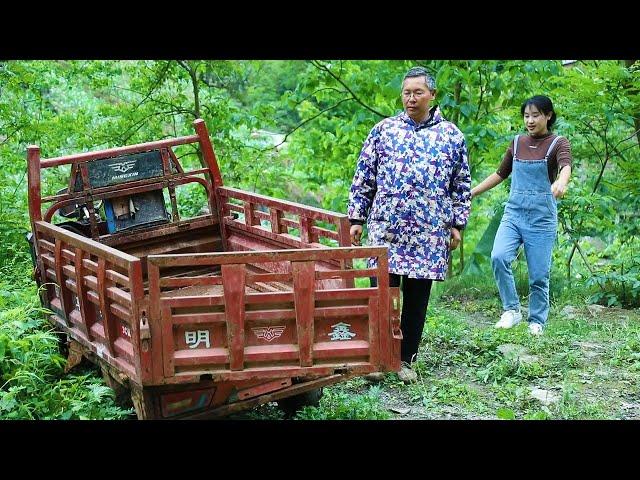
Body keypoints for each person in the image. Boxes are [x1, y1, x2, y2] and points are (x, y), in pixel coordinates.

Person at [348, 66, 471, 383]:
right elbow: (364, 177)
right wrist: (356, 218)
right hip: (387, 228)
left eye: (418, 92)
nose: (411, 98)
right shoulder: (383, 131)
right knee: (381, 296)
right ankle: (378, 359)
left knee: (416, 299)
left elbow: (461, 185)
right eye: (406, 92)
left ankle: (405, 360)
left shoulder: (451, 136)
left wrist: (457, 224)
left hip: (429, 233)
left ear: (433, 95)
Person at [471, 95, 572, 336]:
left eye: (535, 115)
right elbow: (500, 174)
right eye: (526, 116)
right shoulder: (517, 143)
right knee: (498, 257)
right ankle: (512, 310)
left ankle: (537, 320)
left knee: (538, 274)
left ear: (548, 115)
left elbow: (566, 165)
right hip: (514, 214)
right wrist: (472, 192)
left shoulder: (558, 142)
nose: (530, 120)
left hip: (541, 218)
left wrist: (561, 182)